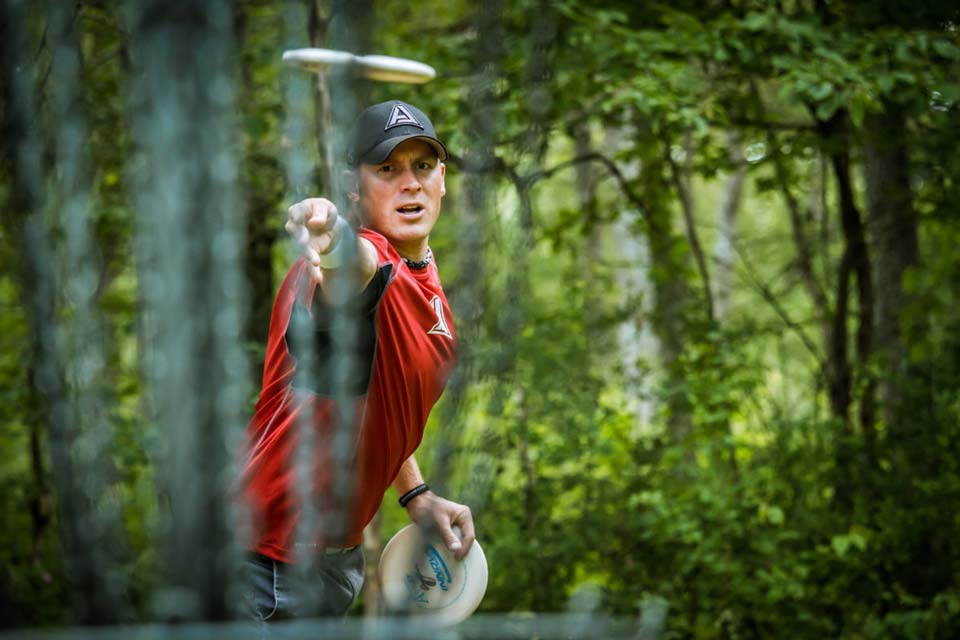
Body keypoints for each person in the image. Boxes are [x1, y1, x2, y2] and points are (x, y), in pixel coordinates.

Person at [239, 100, 475, 621]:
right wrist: (330, 233)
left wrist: (415, 492)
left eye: (423, 165)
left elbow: (377, 395)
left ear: (443, 179)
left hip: (328, 565)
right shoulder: (349, 264)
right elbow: (358, 276)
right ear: (354, 185)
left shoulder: (427, 280)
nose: (409, 183)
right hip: (263, 565)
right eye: (387, 169)